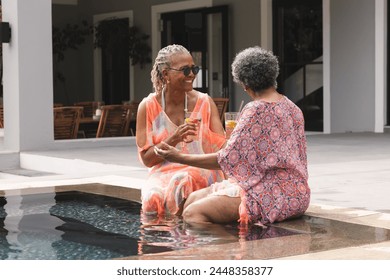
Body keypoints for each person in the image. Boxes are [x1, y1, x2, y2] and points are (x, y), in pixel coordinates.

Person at [154, 46, 310, 226]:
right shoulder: (293, 108)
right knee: (191, 199)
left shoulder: (255, 110)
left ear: (244, 84)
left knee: (192, 213)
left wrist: (178, 157)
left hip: (272, 195)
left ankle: (232, 251)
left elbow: (226, 159)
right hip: (297, 193)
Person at [136, 44, 226, 217]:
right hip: (162, 172)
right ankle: (162, 242)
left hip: (200, 167)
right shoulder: (147, 107)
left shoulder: (205, 103)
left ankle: (184, 239)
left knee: (182, 182)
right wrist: (174, 138)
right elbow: (147, 160)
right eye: (185, 70)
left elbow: (223, 151)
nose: (191, 75)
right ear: (165, 74)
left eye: (194, 69)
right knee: (152, 197)